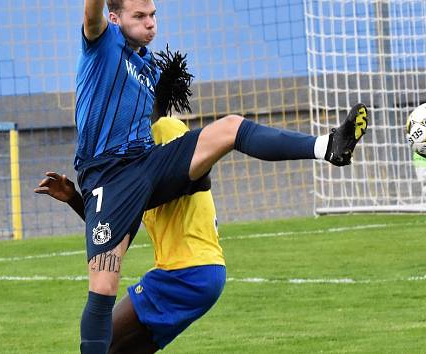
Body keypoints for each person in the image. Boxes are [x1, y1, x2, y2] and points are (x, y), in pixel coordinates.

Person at [75, 1, 369, 352]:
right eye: (139, 16)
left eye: (153, 15)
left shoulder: (148, 68)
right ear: (113, 18)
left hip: (147, 163)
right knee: (105, 285)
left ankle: (328, 146)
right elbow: (91, 13)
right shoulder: (101, 42)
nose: (150, 24)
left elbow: (151, 115)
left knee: (229, 128)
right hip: (109, 176)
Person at [37, 49, 224, 353]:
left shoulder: (165, 129)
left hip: (188, 270)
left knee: (102, 342)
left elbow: (199, 176)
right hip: (193, 273)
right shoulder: (138, 144)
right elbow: (115, 225)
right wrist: (74, 198)